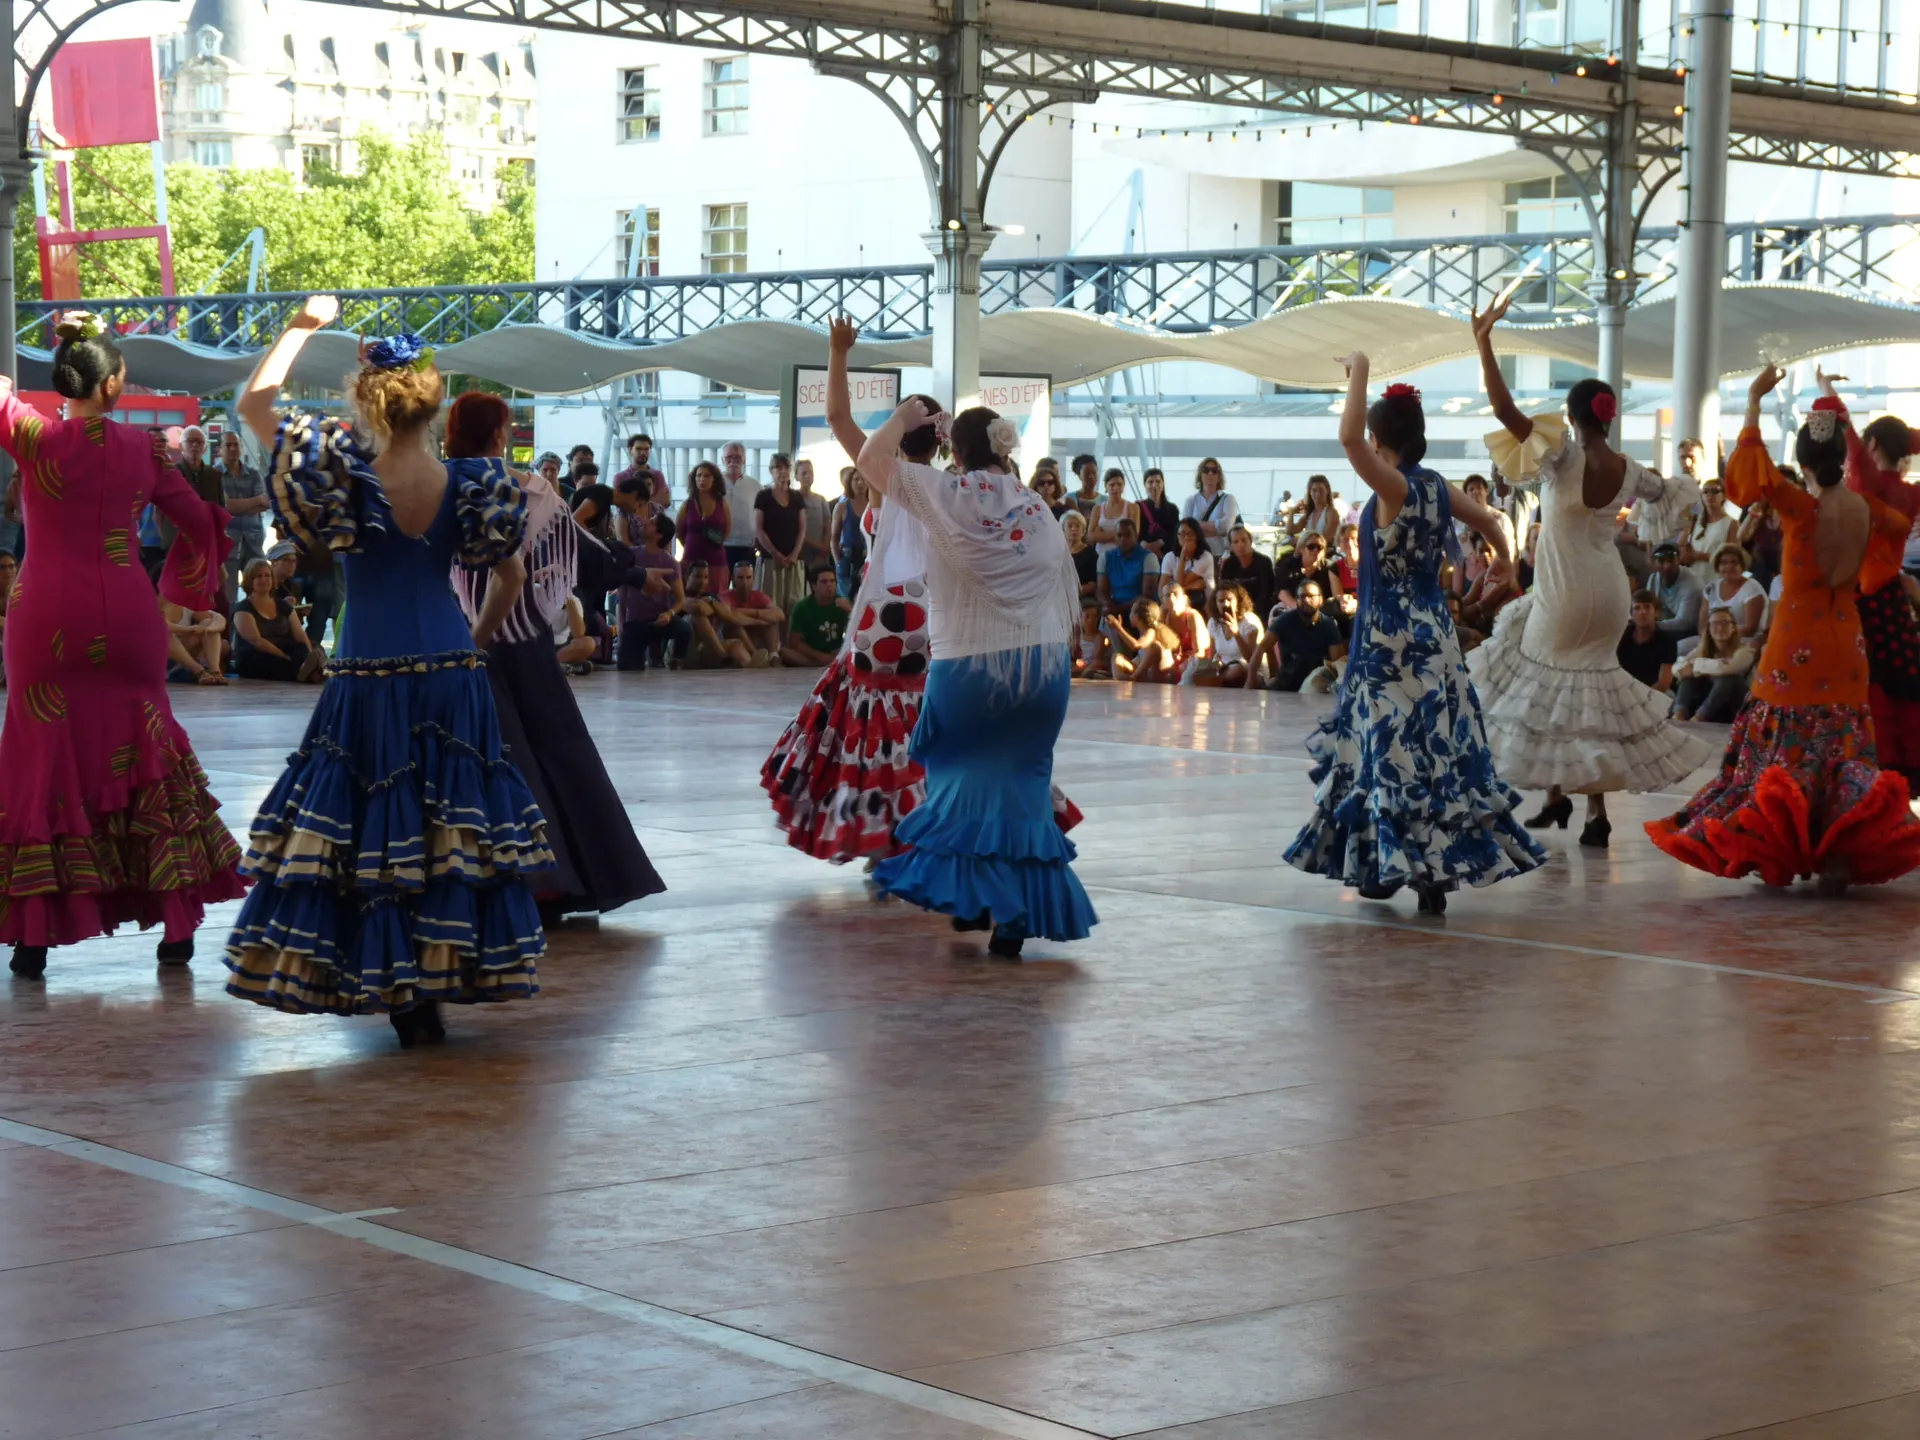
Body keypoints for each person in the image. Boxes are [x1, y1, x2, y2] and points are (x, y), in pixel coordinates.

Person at [224, 304, 549, 1045]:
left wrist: (302, 326)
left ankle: (393, 985)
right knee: (447, 833)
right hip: (450, 670)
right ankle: (433, 981)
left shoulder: (340, 476)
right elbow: (512, 576)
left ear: (367, 404)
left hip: (368, 673)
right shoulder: (471, 481)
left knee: (371, 833)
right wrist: (474, 643)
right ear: (432, 403)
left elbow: (254, 405)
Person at [0, 312, 245, 980]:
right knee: (149, 754)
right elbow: (199, 523)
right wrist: (187, 588)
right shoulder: (145, 451)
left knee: (44, 758)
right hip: (128, 618)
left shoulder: (32, 435)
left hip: (45, 618)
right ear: (112, 387)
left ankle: (33, 940)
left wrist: (60, 344)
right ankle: (176, 928)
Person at [1283, 356, 1544, 913]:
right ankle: (1428, 871)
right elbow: (1491, 522)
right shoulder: (1436, 486)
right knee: (1432, 752)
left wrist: (1359, 369)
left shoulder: (1395, 485)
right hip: (1436, 637)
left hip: (1390, 642)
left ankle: (1395, 864)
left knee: (1388, 752)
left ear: (1380, 440)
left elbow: (1347, 437)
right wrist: (1505, 560)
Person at [1648, 368, 1920, 892]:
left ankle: (1780, 847)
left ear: (1804, 462)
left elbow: (1752, 476)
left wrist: (1753, 403)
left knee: (1786, 751)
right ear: (1842, 459)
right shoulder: (1868, 509)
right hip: (1848, 645)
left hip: (1796, 645)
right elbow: (1898, 527)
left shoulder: (1799, 508)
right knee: (1842, 751)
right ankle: (1837, 855)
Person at [1466, 296, 1711, 848]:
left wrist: (1483, 342)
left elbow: (1505, 412)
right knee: (1586, 691)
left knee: (1541, 682)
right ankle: (1583, 808)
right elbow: (1672, 497)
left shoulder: (1562, 457)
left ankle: (1551, 795)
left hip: (1566, 590)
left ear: (1571, 417)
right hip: (1610, 592)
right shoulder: (1629, 469)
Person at [857, 398, 1095, 958]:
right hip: (1043, 676)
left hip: (969, 672)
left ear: (955, 453)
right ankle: (1011, 919)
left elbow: (868, 459)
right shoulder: (1038, 507)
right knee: (1023, 795)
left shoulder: (948, 493)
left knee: (958, 788)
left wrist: (902, 421)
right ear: (1004, 448)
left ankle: (969, 901)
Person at [445, 392, 663, 927]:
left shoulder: (438, 487)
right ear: (500, 435)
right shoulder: (536, 494)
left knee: (501, 759)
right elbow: (588, 552)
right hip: (528, 643)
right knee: (557, 754)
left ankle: (514, 886)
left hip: (468, 639)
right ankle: (565, 880)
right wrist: (637, 574)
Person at [1821, 369, 1920, 792]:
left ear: (1874, 444)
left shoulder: (1868, 481)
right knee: (1899, 679)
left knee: (1865, 679)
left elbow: (1845, 432)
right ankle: (1901, 772)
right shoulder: (1913, 493)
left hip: (1860, 598)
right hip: (1893, 599)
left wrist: (1826, 388)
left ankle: (1861, 767)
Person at [617, 512, 691, 671]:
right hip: (635, 621)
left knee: (684, 630)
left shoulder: (670, 563)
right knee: (627, 668)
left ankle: (675, 659)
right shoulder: (632, 555)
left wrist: (669, 614)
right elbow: (622, 592)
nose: (644, 523)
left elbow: (680, 599)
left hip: (659, 620)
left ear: (659, 534)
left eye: (651, 523)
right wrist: (621, 619)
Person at [231, 558, 323, 682]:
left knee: (300, 647)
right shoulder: (243, 608)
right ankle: (309, 673)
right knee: (272, 661)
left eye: (267, 576)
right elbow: (257, 641)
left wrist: (309, 654)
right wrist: (284, 656)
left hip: (283, 649)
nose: (264, 579)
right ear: (249, 580)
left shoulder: (283, 605)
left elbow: (300, 635)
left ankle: (308, 669)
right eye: (258, 576)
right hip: (255, 655)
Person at [1671, 608, 1755, 722]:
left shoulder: (1745, 651)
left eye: (1725, 623)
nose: (1720, 628)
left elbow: (1727, 669)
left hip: (1735, 704)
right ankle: (1679, 714)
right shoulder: (1702, 649)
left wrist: (1695, 666)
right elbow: (1678, 667)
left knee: (1727, 678)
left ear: (1733, 627)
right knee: (1688, 678)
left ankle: (1698, 718)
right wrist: (1694, 668)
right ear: (1709, 629)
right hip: (1709, 700)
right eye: (1715, 623)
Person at [754, 452, 808, 624]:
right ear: (771, 471)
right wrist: (774, 553)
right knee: (770, 607)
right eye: (778, 467)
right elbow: (759, 528)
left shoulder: (797, 497)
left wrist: (795, 554)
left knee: (794, 608)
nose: (782, 471)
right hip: (770, 561)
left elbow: (802, 528)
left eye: (786, 467)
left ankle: (789, 641)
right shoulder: (763, 496)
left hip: (793, 561)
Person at [1265, 578, 1346, 692]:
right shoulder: (1285, 620)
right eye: (1302, 596)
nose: (1307, 600)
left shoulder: (1328, 625)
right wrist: (1251, 682)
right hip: (1287, 683)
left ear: (1320, 599)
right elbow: (1261, 648)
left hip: (1316, 684)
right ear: (1296, 600)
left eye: (1311, 596)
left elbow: (1338, 663)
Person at [683, 560, 766, 667]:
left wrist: (710, 602)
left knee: (735, 644)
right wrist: (714, 608)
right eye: (697, 576)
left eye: (706, 577)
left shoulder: (710, 597)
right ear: (687, 577)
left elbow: (727, 614)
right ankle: (722, 655)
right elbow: (699, 608)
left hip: (703, 649)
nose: (702, 581)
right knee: (697, 616)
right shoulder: (679, 595)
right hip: (683, 652)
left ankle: (751, 663)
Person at [219, 429, 269, 599]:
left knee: (260, 593)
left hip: (253, 541)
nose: (233, 448)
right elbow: (224, 506)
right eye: (228, 445)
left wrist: (235, 506)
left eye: (236, 445)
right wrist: (255, 500)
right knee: (228, 596)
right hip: (227, 543)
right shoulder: (214, 475)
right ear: (220, 449)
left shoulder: (254, 474)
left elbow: (265, 504)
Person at [778, 565, 850, 668]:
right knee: (785, 652)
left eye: (832, 581)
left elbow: (860, 633)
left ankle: (828, 663)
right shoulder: (802, 607)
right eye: (824, 582)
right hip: (811, 653)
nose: (829, 585)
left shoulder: (843, 604)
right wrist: (819, 656)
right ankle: (827, 663)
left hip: (835, 651)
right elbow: (795, 642)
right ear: (813, 586)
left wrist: (851, 611)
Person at [1194, 585, 1262, 689]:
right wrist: (1208, 669)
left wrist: (1236, 633)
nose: (1226, 604)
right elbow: (1213, 653)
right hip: (1223, 668)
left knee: (1237, 670)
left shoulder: (1249, 622)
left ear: (1238, 601)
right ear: (1216, 603)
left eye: (1229, 600)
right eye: (1221, 601)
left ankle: (1215, 682)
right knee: (1194, 666)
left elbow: (1251, 658)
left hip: (1250, 671)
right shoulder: (1213, 622)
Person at [1698, 542, 1766, 644]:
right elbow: (1702, 625)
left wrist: (1720, 634)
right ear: (1717, 567)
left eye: (1735, 562)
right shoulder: (1710, 588)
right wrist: (1710, 641)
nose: (1729, 567)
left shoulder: (1753, 588)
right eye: (1724, 563)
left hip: (1744, 640)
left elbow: (1750, 629)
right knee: (1682, 646)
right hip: (1712, 639)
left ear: (1743, 566)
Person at [1105, 596, 1181, 683]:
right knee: (1117, 657)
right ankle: (1120, 680)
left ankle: (1133, 678)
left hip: (1158, 678)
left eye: (1131, 612)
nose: (1130, 615)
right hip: (1146, 675)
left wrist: (1117, 627)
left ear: (1138, 617)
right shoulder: (1143, 633)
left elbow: (1136, 645)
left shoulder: (1151, 632)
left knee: (1154, 647)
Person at [1095, 517, 1160, 616]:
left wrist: (1118, 609)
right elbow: (1101, 590)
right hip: (1114, 607)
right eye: (1119, 535)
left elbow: (1147, 595)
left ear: (1136, 536)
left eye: (1128, 535)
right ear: (1115, 537)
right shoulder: (1104, 558)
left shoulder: (1149, 558)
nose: (1123, 539)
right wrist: (1107, 605)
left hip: (1141, 611)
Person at [1679, 476, 1738, 585]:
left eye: (1715, 491)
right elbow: (1680, 547)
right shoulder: (1694, 520)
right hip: (1693, 580)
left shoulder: (1731, 523)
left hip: (1716, 580)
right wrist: (1686, 554)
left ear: (1724, 496)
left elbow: (1732, 557)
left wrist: (1701, 556)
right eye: (1705, 492)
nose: (1709, 495)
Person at [678, 460, 732, 579]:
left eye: (707, 476)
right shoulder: (687, 504)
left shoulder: (722, 504)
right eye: (699, 475)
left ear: (714, 479)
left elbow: (727, 531)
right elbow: (679, 531)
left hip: (716, 561)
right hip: (691, 559)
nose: (702, 479)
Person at [1616, 590, 1677, 694]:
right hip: (1624, 691)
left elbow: (1663, 683)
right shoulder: (1622, 636)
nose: (1642, 612)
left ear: (1656, 613)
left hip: (1654, 693)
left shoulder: (1667, 641)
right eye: (1637, 608)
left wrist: (1641, 698)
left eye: (1647, 607)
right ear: (1631, 614)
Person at [724, 557, 784, 656]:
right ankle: (755, 654)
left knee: (771, 621)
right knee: (735, 624)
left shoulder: (759, 596)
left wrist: (755, 613)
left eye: (748, 578)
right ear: (733, 579)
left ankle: (773, 655)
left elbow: (779, 614)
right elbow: (729, 614)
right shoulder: (725, 596)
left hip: (754, 636)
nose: (744, 583)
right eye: (740, 578)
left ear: (753, 579)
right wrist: (757, 620)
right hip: (732, 638)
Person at [1647, 541, 1705, 640]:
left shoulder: (1692, 584)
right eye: (1661, 560)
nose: (1667, 566)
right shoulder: (1653, 579)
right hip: (1665, 626)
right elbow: (1648, 606)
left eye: (1671, 560)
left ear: (1678, 560)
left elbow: (1684, 623)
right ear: (1654, 563)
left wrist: (1649, 625)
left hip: (1691, 632)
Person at [163, 597, 229, 685]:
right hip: (163, 658)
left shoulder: (185, 605)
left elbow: (218, 618)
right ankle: (199, 671)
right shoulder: (151, 604)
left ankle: (215, 671)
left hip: (187, 655)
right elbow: (159, 623)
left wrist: (208, 629)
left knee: (207, 622)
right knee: (164, 634)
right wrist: (188, 630)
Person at [1218, 524, 1277, 622]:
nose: (1240, 545)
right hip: (1235, 611)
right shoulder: (1228, 564)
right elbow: (1224, 591)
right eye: (1236, 542)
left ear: (1251, 541)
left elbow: (1266, 594)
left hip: (1260, 613)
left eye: (1244, 540)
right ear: (1231, 546)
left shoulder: (1264, 562)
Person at [1183, 458, 1238, 556]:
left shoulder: (1228, 499)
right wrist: (1216, 530)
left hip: (1220, 556)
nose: (1210, 473)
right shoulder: (1190, 501)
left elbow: (1226, 526)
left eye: (1214, 470)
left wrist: (1196, 524)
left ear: (1219, 476)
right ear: (1200, 475)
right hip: (1196, 556)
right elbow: (1185, 529)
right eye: (1206, 470)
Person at [1275, 531, 1341, 611]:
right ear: (1301, 549)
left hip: (1321, 610)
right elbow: (1282, 591)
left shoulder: (1330, 568)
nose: (1316, 550)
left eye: (1319, 547)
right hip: (1291, 608)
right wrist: (1298, 608)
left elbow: (1335, 596)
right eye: (1311, 547)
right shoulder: (1287, 565)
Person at [721, 440, 761, 571]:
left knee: (746, 583)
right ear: (722, 460)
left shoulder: (755, 486)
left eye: (738, 457)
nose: (733, 461)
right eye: (729, 457)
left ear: (744, 460)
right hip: (720, 545)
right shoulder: (715, 483)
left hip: (747, 546)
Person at [1162, 517, 1215, 614]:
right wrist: (1194, 585)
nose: (1186, 538)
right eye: (1182, 534)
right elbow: (1162, 587)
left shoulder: (1205, 557)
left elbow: (1179, 583)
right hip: (1175, 603)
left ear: (1197, 536)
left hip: (1203, 604)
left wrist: (1183, 558)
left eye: (1190, 534)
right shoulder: (1169, 557)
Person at [612, 432, 667, 512]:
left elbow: (665, 501)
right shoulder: (620, 477)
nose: (643, 452)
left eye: (646, 449)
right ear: (630, 450)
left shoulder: (657, 475)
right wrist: (652, 500)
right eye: (639, 449)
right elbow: (619, 502)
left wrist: (632, 500)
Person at [795, 458, 832, 573]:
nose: (807, 476)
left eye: (810, 472)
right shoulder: (793, 499)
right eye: (804, 473)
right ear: (796, 476)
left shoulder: (821, 500)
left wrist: (823, 551)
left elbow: (828, 528)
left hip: (819, 557)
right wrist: (819, 546)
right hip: (799, 555)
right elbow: (794, 530)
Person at [1285, 475, 1342, 547]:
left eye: (1321, 490)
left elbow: (1326, 539)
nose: (1318, 494)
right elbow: (1289, 530)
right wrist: (1292, 512)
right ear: (1310, 492)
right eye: (1314, 490)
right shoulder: (1309, 514)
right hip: (1309, 552)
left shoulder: (1331, 512)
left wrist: (1301, 541)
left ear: (1327, 491)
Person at [1090, 468, 1135, 554]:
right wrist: (1120, 534)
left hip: (1124, 555)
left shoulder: (1132, 507)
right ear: (1105, 486)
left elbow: (1133, 536)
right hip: (1100, 555)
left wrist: (1101, 535)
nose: (1116, 488)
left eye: (1119, 484)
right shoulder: (1097, 508)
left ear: (1124, 485)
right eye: (1112, 485)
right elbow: (1091, 537)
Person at [1138, 467, 1179, 558]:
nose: (1154, 485)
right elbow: (1135, 532)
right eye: (1150, 482)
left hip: (1166, 555)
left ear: (1163, 484)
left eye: (1158, 481)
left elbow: (1175, 533)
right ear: (1144, 485)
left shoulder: (1172, 509)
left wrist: (1159, 543)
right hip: (1143, 554)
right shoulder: (1137, 507)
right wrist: (1146, 545)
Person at [1061, 509, 1098, 598]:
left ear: (1084, 531)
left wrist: (1071, 593)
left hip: (1081, 597)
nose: (1074, 529)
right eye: (1070, 526)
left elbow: (1092, 585)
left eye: (1077, 526)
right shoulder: (1058, 553)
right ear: (1063, 531)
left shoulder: (1091, 554)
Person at [1073, 597, 1112, 679]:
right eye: (1087, 617)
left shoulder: (1100, 637)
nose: (1091, 620)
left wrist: (1081, 667)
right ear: (1080, 618)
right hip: (1079, 664)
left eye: (1094, 617)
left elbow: (1097, 658)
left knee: (1097, 663)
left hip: (1091, 666)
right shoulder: (1077, 635)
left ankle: (1081, 675)